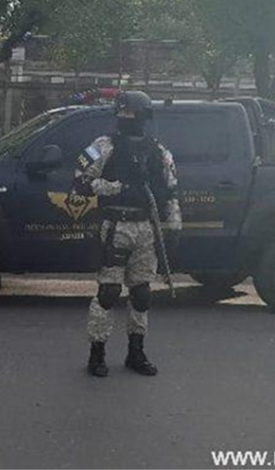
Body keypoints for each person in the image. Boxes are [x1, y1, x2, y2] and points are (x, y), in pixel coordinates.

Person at [72, 90, 181, 377]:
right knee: (108, 292)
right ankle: (97, 353)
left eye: (131, 114)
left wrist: (174, 226)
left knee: (142, 293)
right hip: (115, 227)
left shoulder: (159, 151)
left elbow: (170, 190)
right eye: (124, 113)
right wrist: (115, 188)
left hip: (146, 228)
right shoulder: (102, 146)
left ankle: (136, 352)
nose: (127, 118)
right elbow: (81, 182)